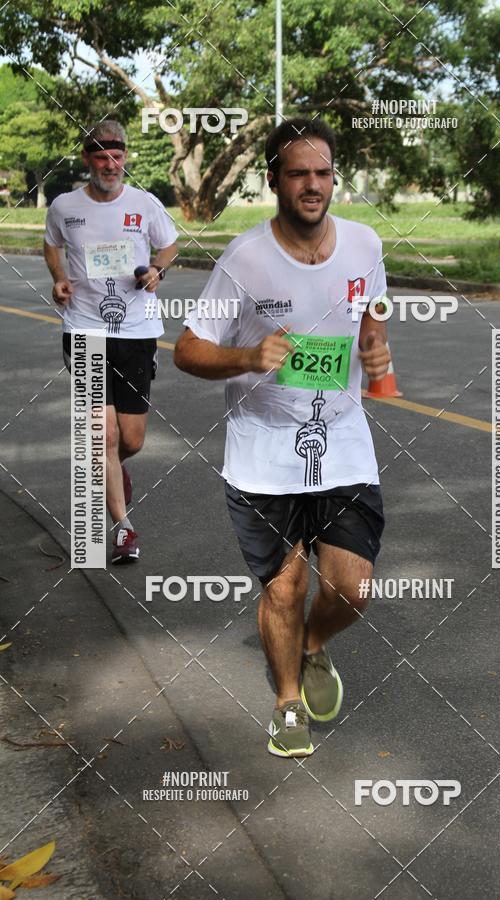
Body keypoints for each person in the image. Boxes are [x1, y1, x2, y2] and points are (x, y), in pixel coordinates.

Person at [174, 117, 391, 756]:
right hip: (264, 451)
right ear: (273, 179)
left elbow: (372, 312)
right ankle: (287, 699)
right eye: (298, 172)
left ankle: (313, 644)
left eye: (322, 172)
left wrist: (377, 351)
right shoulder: (245, 259)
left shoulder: (365, 244)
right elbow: (187, 350)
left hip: (343, 439)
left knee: (352, 588)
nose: (312, 185)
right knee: (286, 586)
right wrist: (247, 358)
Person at [44, 119, 178, 563]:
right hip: (83, 330)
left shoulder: (144, 203)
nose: (109, 164)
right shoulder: (64, 206)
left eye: (116, 156)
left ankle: (114, 472)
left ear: (125, 157)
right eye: (100, 157)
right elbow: (52, 245)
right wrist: (60, 279)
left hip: (137, 333)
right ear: (87, 159)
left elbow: (169, 246)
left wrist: (156, 270)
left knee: (131, 439)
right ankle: (124, 530)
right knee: (103, 434)